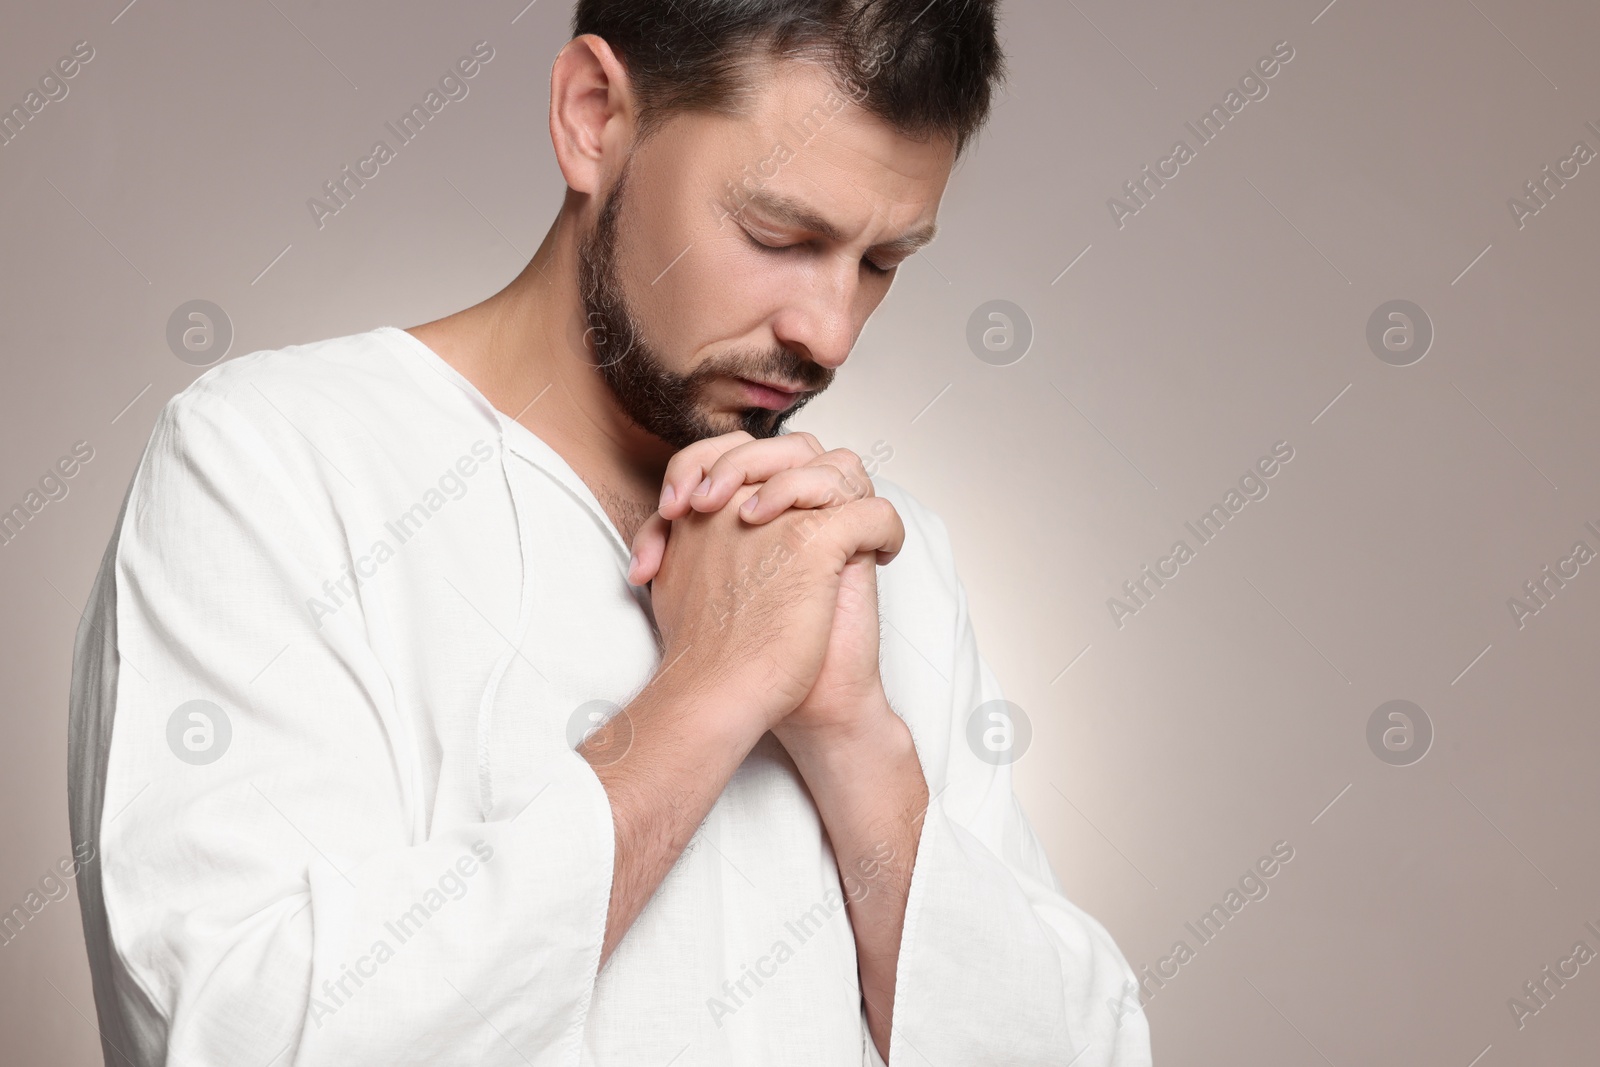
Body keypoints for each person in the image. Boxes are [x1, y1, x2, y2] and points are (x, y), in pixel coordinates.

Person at [67, 2, 1152, 1064]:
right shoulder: (274, 464)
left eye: (880, 264)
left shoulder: (872, 550)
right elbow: (239, 1035)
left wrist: (854, 740)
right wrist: (713, 691)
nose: (826, 331)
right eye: (779, 233)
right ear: (593, 116)